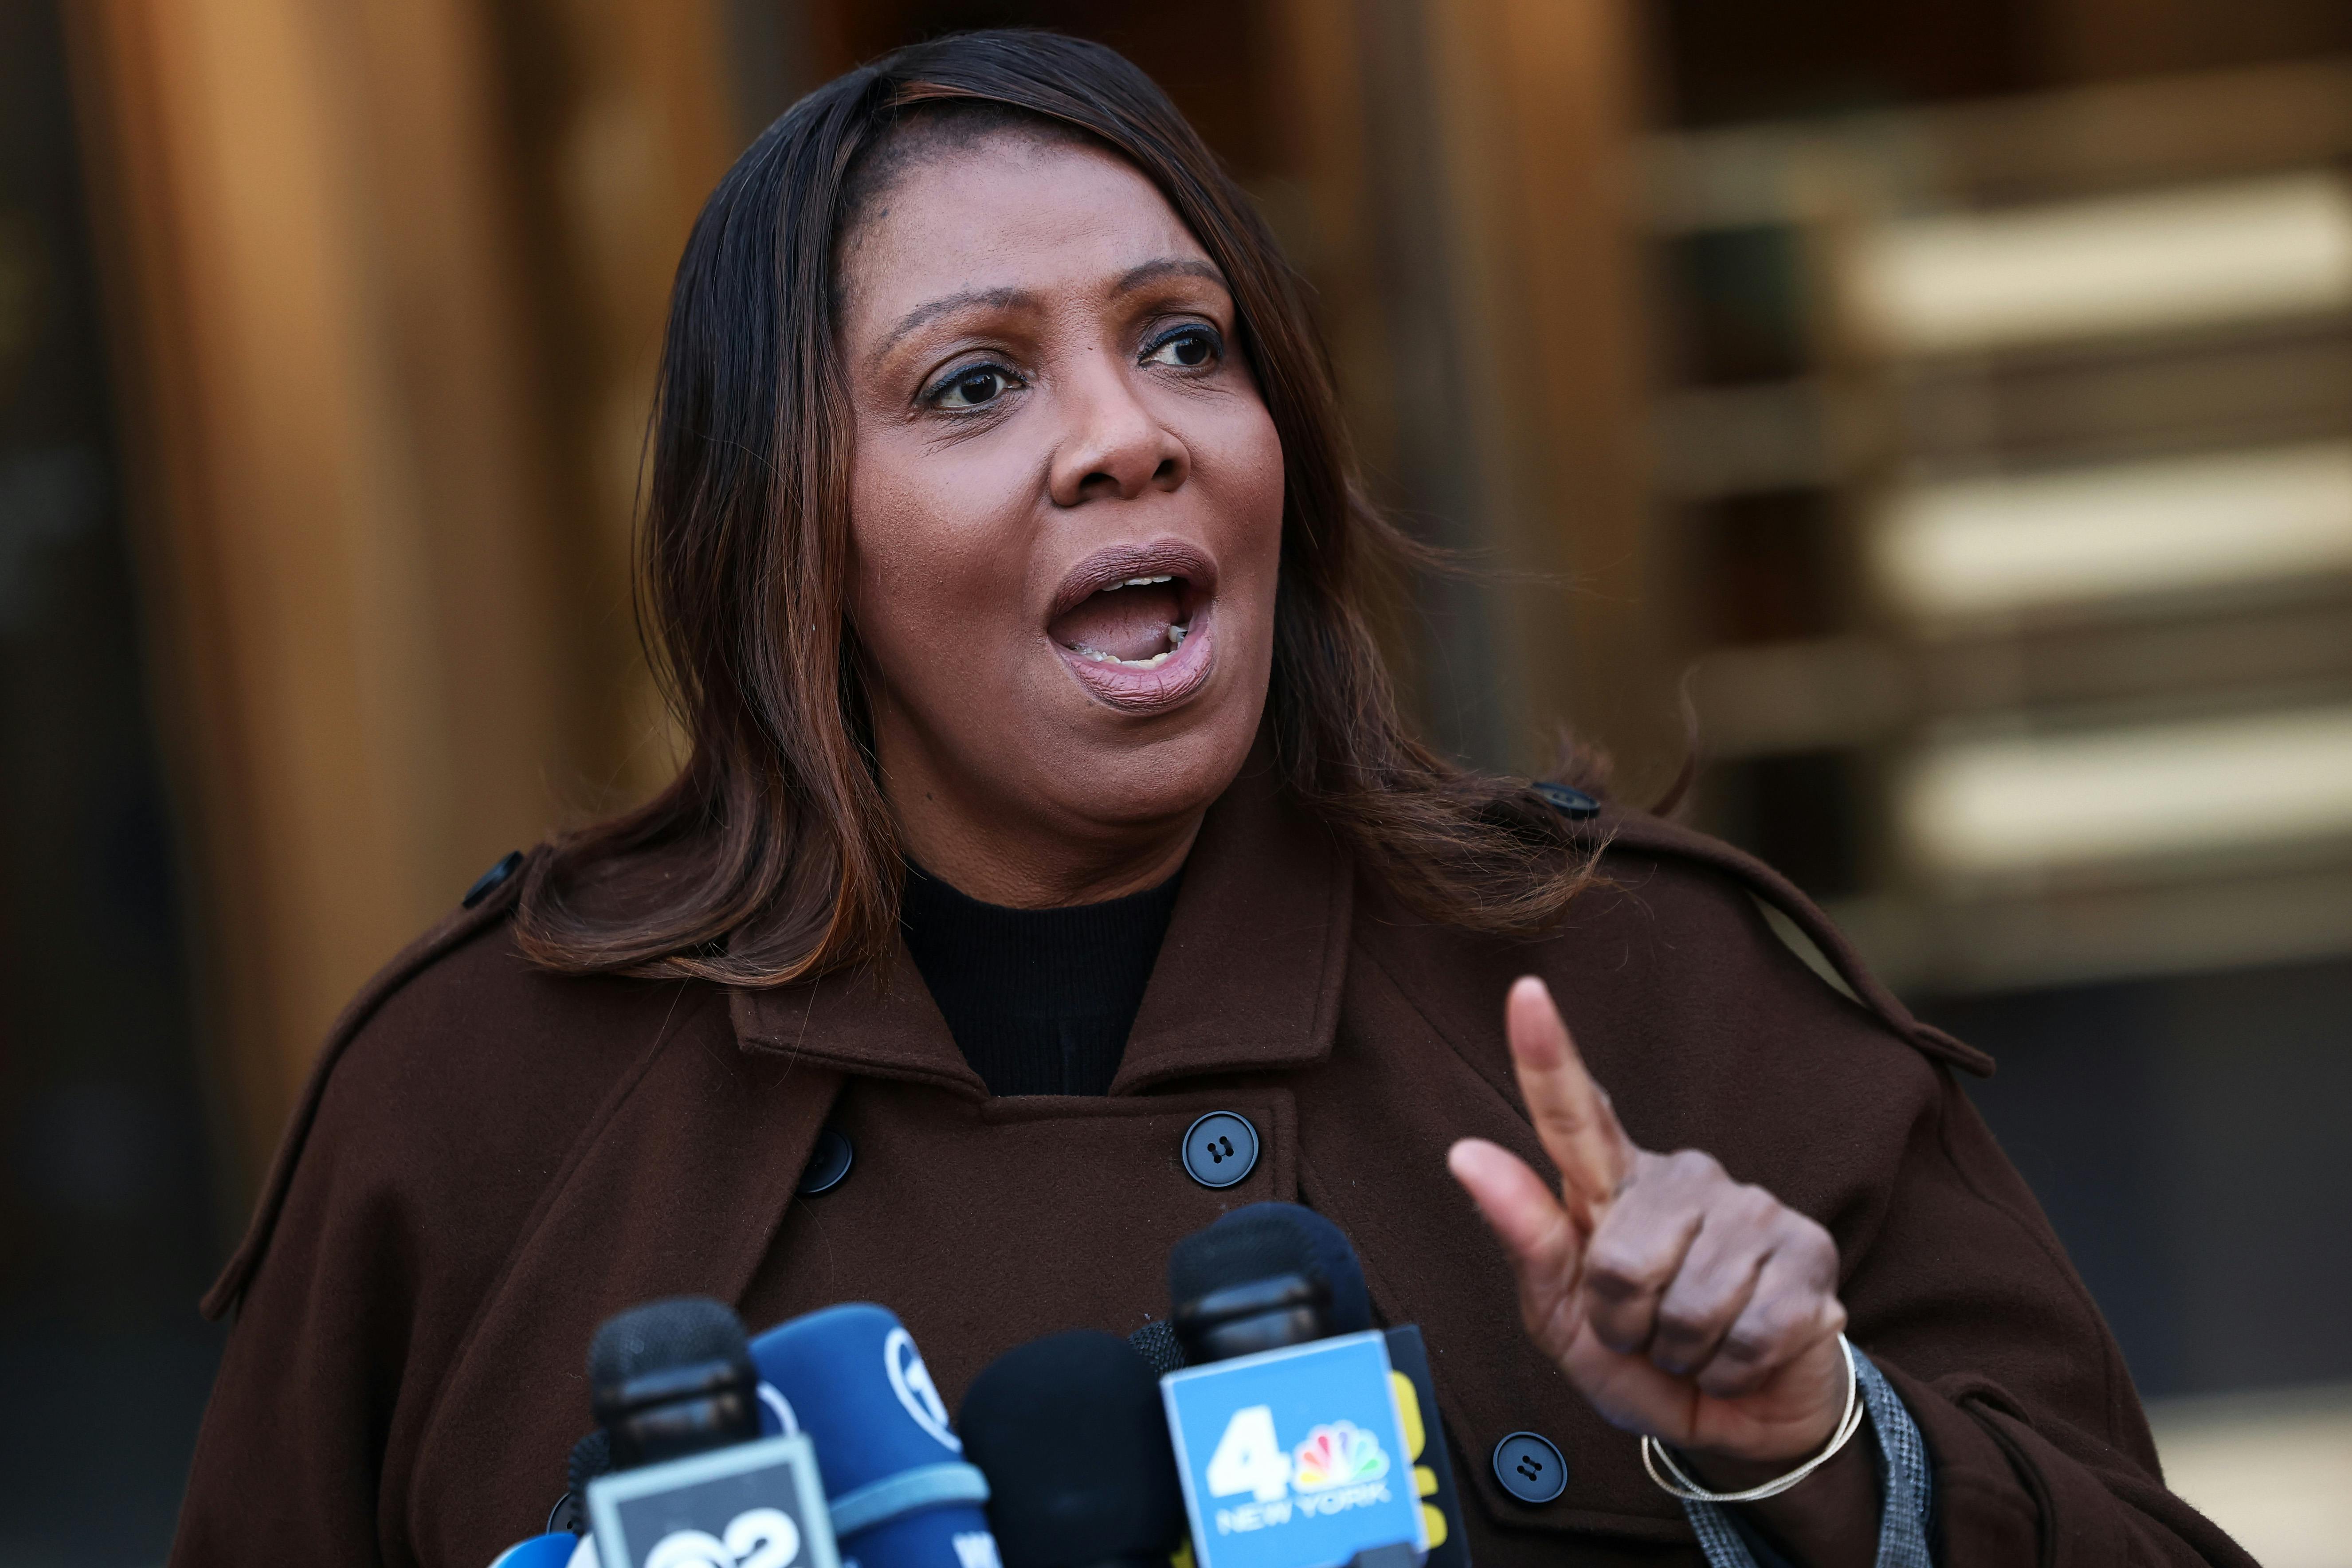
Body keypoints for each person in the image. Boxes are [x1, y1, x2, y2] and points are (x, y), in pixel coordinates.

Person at [170, 31, 2249, 1568]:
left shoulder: (1645, 992)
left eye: (1186, 343)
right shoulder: (479, 1105)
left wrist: (1812, 1443)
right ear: (788, 532)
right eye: (975, 381)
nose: (1126, 435)